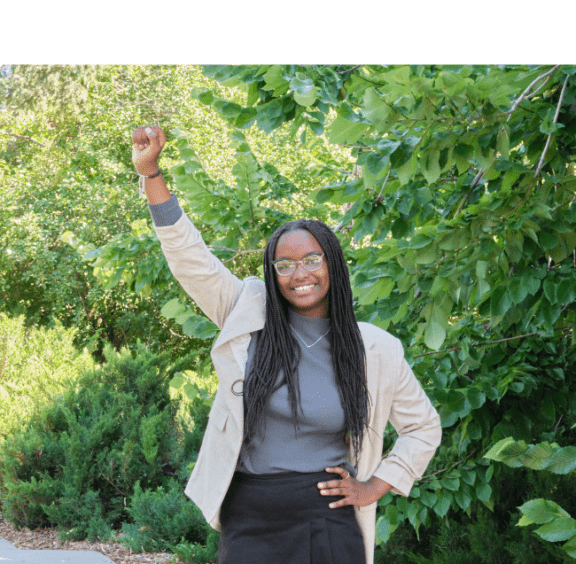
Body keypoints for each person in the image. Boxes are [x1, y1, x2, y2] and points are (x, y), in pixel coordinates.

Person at [132, 125, 442, 564]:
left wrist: (375, 485)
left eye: (312, 260)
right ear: (273, 273)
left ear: (332, 264)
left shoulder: (375, 350)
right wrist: (151, 175)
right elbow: (191, 260)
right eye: (285, 264)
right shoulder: (247, 314)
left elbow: (423, 427)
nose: (300, 274)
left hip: (327, 515)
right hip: (250, 514)